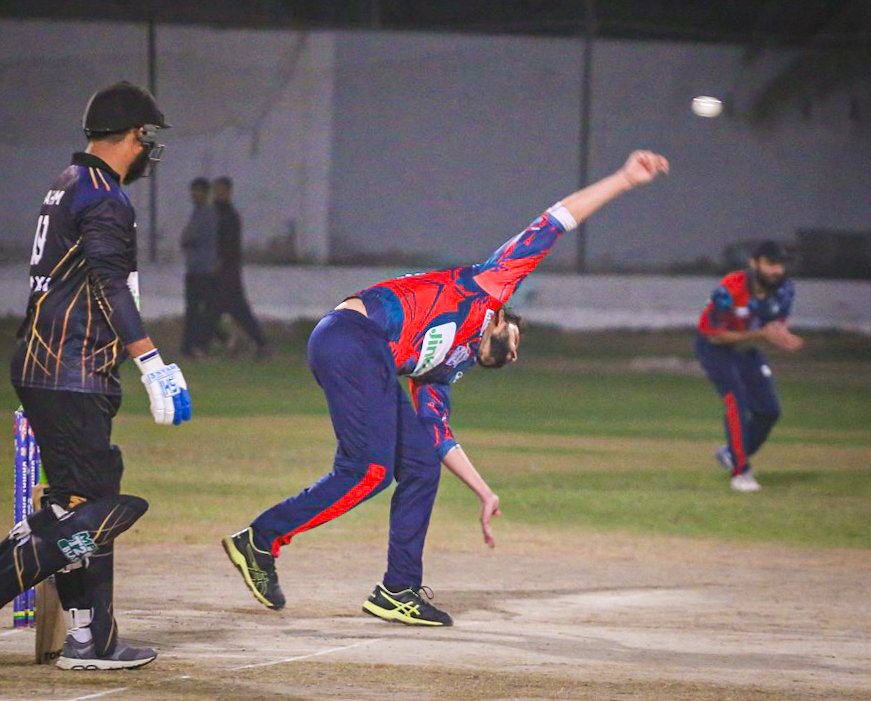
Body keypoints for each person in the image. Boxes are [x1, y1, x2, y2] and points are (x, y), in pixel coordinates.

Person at [222, 150, 670, 626]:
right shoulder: (489, 286)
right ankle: (261, 540)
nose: (514, 355)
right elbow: (554, 222)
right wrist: (623, 180)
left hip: (367, 355)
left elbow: (438, 434)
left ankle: (398, 589)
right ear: (501, 319)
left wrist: (484, 491)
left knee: (420, 463)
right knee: (369, 471)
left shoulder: (446, 365)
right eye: (515, 341)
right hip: (350, 337)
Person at [0, 81, 192, 671]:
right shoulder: (106, 197)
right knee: (95, 512)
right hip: (70, 369)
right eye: (147, 137)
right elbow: (110, 286)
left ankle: (88, 639)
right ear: (133, 135)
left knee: (76, 505)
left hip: (49, 363)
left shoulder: (68, 183)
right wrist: (151, 362)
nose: (149, 150)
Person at [695, 240, 804, 492]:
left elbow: (775, 322)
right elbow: (714, 335)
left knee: (769, 411)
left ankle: (731, 454)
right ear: (754, 263)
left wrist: (781, 335)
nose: (777, 270)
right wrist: (760, 335)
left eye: (781, 264)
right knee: (736, 401)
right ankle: (741, 473)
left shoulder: (785, 288)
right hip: (714, 348)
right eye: (770, 263)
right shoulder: (730, 288)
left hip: (746, 348)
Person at [206, 176, 270, 359]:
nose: (218, 194)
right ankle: (238, 341)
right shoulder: (213, 214)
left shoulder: (229, 216)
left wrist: (220, 261)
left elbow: (229, 244)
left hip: (227, 271)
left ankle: (255, 343)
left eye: (221, 191)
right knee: (216, 310)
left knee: (231, 309)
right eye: (216, 191)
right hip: (220, 270)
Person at [180, 177, 217, 358]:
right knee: (194, 310)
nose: (194, 195)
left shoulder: (207, 214)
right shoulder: (196, 213)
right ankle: (191, 346)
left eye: (198, 191)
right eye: (193, 191)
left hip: (204, 269)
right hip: (194, 268)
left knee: (200, 310)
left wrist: (186, 238)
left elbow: (191, 237)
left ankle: (196, 346)